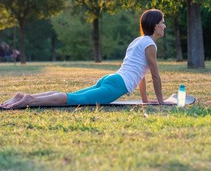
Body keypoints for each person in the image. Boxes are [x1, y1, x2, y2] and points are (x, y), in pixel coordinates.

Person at [1, 9, 171, 109]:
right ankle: (29, 100)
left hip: (111, 79)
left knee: (72, 95)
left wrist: (145, 100)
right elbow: (155, 75)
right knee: (74, 100)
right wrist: (161, 102)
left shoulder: (138, 41)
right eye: (162, 22)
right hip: (117, 85)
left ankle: (22, 96)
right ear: (155, 25)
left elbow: (141, 75)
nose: (164, 26)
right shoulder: (150, 45)